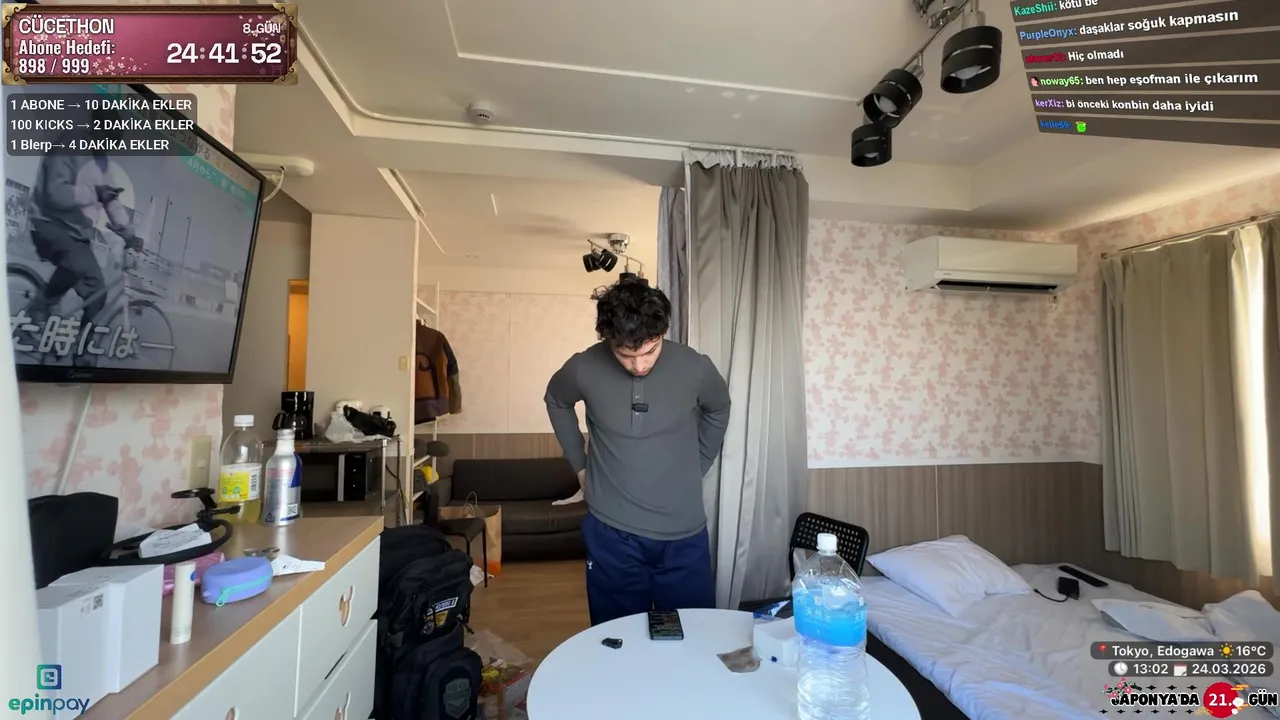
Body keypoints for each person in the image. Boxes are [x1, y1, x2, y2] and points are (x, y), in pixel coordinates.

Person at [544, 277, 731, 626]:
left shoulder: (696, 367)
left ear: (662, 333)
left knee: (694, 633)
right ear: (607, 339)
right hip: (611, 533)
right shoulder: (583, 367)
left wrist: (700, 462)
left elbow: (719, 408)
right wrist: (580, 466)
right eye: (627, 355)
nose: (640, 366)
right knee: (617, 636)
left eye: (650, 351)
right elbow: (556, 400)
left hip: (683, 534)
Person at [24, 108, 141, 327]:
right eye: (109, 138)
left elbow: (111, 201)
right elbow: (55, 193)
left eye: (114, 142)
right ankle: (39, 306)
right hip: (49, 222)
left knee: (98, 293)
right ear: (97, 128)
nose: (109, 147)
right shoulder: (70, 143)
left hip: (76, 236)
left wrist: (130, 233)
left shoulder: (101, 163)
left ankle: (83, 346)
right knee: (74, 264)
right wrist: (94, 192)